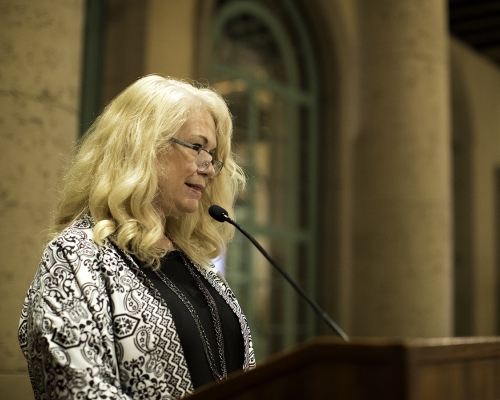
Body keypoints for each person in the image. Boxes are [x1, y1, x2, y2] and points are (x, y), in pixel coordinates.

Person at [18, 75, 255, 399]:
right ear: (143, 145)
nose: (209, 168)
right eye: (197, 147)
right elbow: (78, 389)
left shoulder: (200, 267)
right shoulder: (75, 258)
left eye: (212, 155)